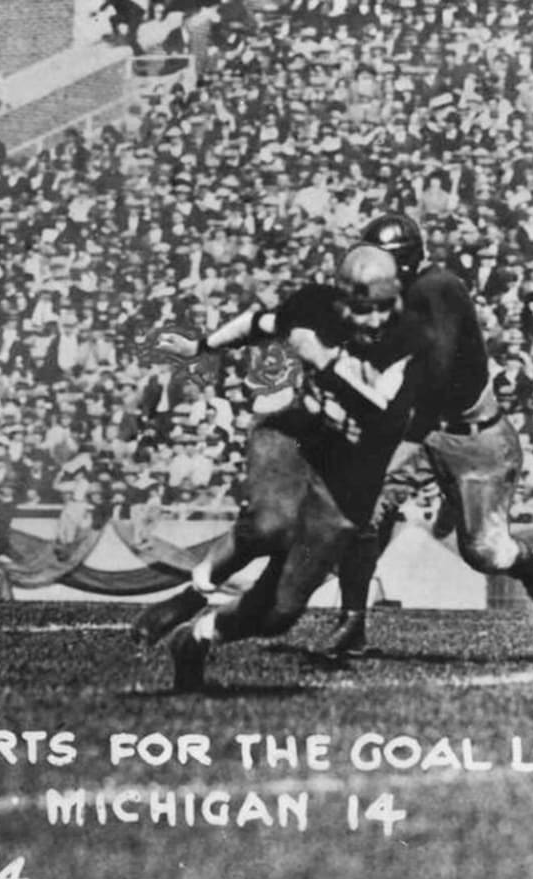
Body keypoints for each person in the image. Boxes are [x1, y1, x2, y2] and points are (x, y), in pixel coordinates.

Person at [133, 245, 431, 691]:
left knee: (279, 614)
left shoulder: (412, 339)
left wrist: (325, 362)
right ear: (342, 299)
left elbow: (381, 412)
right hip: (296, 437)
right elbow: (259, 324)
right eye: (366, 310)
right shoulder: (315, 305)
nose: (376, 321)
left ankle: (196, 637)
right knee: (271, 525)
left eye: (385, 308)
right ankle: (194, 590)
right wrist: (200, 346)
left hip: (350, 477)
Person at [325, 213, 533, 656]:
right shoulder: (402, 297)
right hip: (430, 430)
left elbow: (433, 381)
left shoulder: (437, 289)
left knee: (484, 553)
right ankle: (352, 623)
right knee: (365, 508)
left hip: (474, 441)